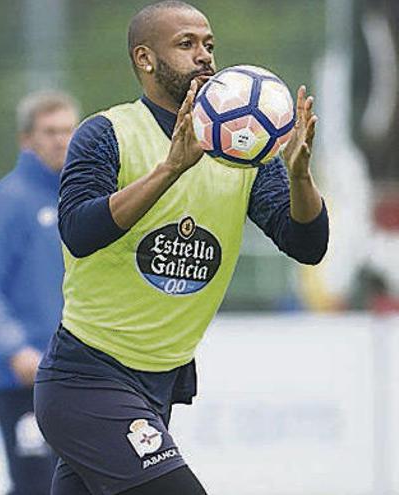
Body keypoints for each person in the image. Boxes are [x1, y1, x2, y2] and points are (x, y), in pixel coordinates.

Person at [33, 2, 329, 494]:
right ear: (145, 59)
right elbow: (79, 233)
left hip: (159, 384)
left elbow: (307, 243)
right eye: (187, 44)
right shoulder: (107, 133)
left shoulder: (243, 148)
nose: (204, 56)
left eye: (209, 44)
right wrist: (170, 169)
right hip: (88, 379)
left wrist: (299, 175)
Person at [0, 91, 79, 494]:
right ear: (27, 140)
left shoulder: (81, 199)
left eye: (68, 130)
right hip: (22, 380)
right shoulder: (5, 202)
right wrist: (16, 349)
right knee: (36, 485)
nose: (61, 140)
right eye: (50, 132)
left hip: (78, 375)